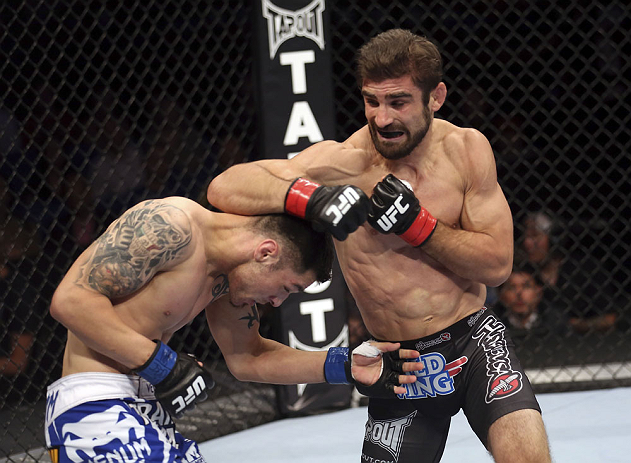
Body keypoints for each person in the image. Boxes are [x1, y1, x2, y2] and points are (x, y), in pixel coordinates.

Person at [207, 28, 551, 462]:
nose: (383, 118)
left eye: (398, 102)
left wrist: (420, 226)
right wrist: (313, 197)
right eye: (372, 101)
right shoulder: (344, 162)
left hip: (474, 340)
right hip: (399, 361)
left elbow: (498, 264)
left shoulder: (467, 151)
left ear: (436, 96)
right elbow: (226, 187)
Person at [44, 196, 421, 462]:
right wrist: (160, 363)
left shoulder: (228, 283)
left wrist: (346, 366)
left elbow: (249, 357)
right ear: (266, 252)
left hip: (146, 408)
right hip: (94, 405)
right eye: (286, 288)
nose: (276, 303)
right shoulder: (171, 226)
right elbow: (70, 302)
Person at [518, 210, 617, 333]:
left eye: (534, 236)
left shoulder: (584, 268)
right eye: (524, 236)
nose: (526, 243)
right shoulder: (522, 273)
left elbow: (609, 319)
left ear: (555, 239)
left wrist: (572, 325)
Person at [495, 261, 569, 339]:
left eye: (526, 286)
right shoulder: (490, 322)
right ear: (501, 295)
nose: (519, 294)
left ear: (538, 292)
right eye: (511, 287)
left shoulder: (555, 321)